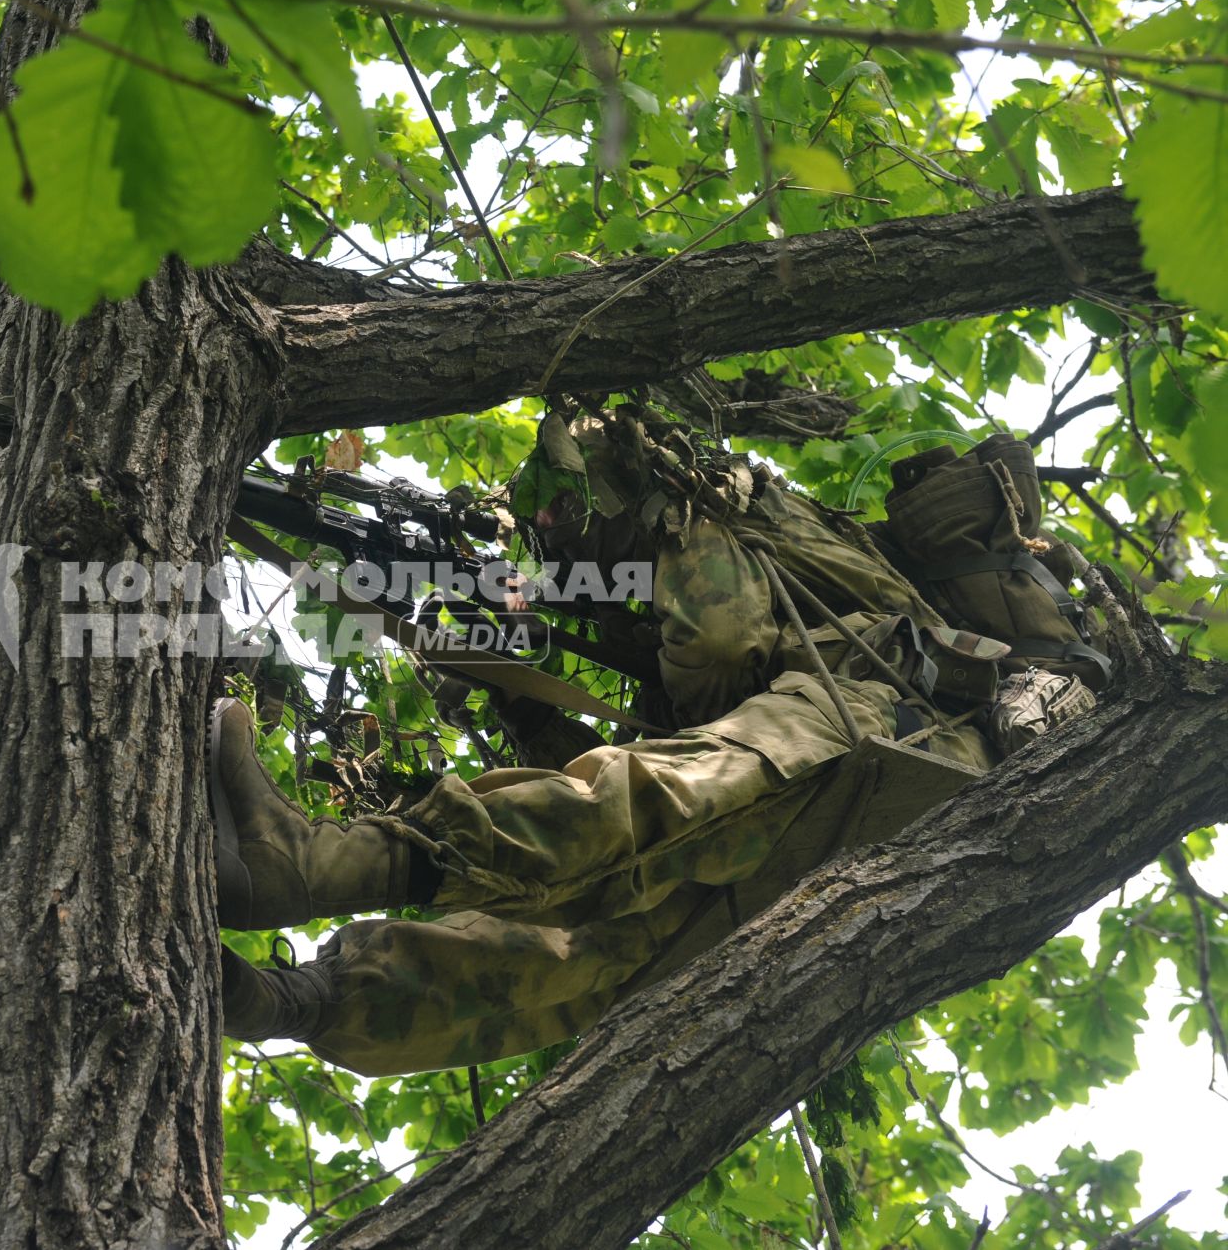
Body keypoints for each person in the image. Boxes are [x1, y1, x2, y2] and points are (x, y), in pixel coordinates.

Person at [214, 409, 1101, 1077]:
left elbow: (720, 658)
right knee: (585, 955)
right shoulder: (856, 562)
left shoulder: (806, 545)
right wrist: (527, 708)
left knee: (642, 806)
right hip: (861, 853)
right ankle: (300, 1001)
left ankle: (310, 866)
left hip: (875, 734)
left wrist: (674, 534)